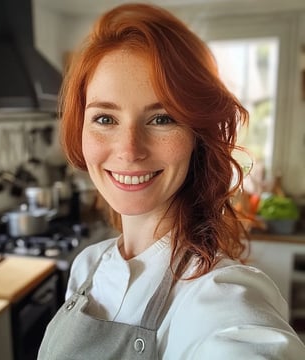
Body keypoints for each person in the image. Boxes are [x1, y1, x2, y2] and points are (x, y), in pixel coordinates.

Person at [38, 3, 305, 359]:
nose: (129, 150)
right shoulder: (89, 266)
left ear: (198, 135)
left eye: (162, 119)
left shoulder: (219, 297)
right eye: (105, 118)